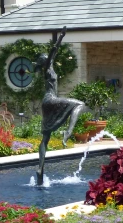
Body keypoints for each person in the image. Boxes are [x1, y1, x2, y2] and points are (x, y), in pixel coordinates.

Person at [37, 27, 86, 185]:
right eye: (48, 59)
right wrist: (60, 37)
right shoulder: (47, 68)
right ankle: (68, 131)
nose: (50, 59)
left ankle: (40, 169)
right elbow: (53, 51)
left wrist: (60, 38)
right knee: (79, 104)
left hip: (47, 102)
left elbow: (53, 53)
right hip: (50, 99)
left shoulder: (48, 70)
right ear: (46, 62)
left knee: (45, 138)